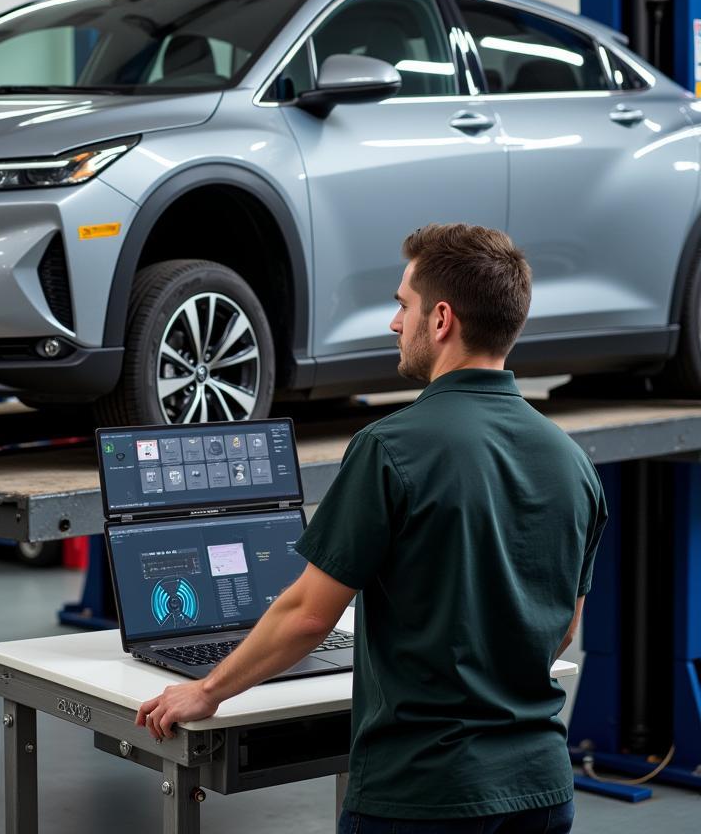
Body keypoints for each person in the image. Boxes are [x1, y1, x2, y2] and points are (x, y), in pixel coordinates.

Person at [136, 223, 607, 834]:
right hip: (541, 790)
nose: (394, 324)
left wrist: (208, 690)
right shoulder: (573, 462)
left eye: (401, 306)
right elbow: (563, 627)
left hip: (423, 795)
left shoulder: (391, 447)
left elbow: (308, 613)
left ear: (440, 320)